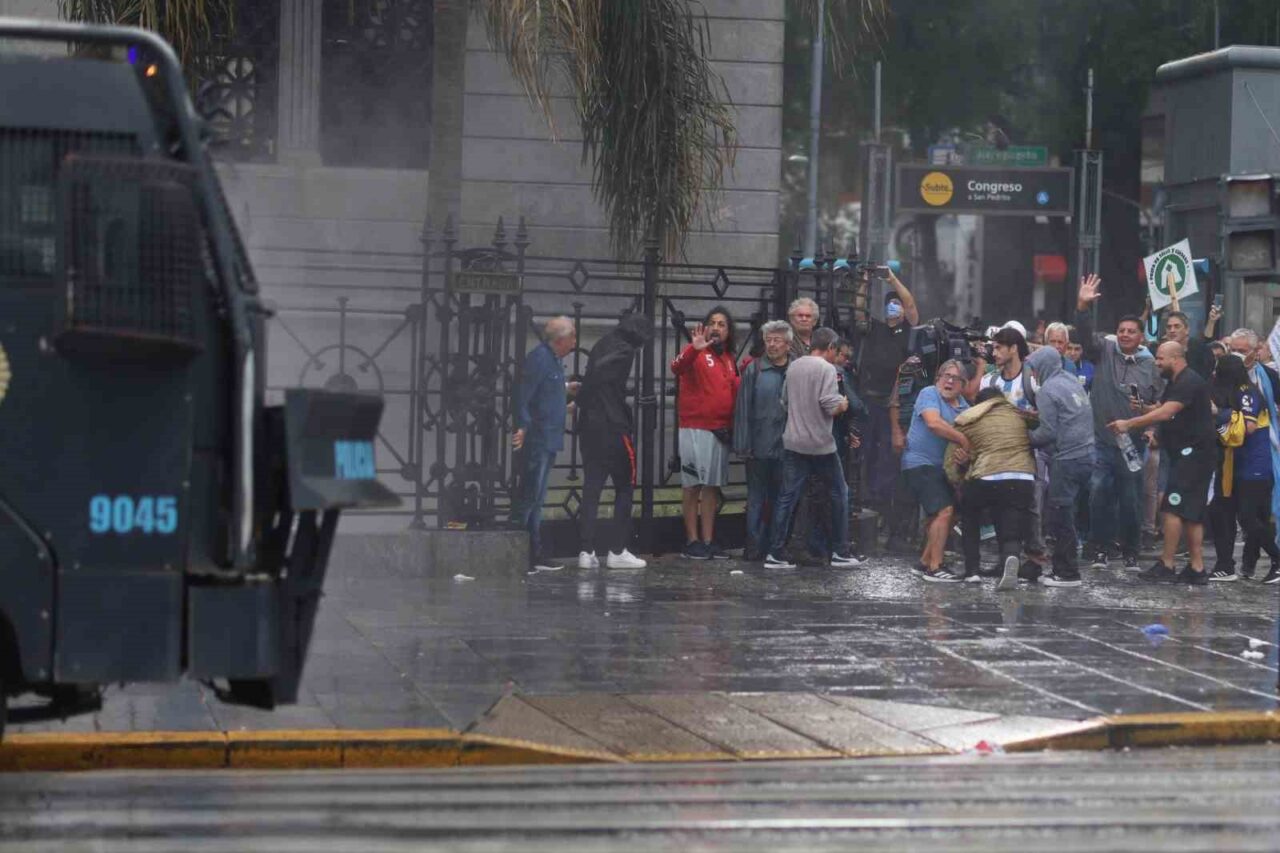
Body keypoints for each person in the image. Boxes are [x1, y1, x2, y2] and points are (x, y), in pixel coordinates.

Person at [1075, 274, 1163, 571]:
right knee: (1099, 492)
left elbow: (1162, 405)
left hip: (1133, 444)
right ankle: (1099, 547)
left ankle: (1130, 550)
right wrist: (1083, 307)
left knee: (1131, 498)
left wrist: (1151, 428)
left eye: (1131, 331)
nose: (1125, 335)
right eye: (1121, 330)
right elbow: (1085, 337)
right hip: (1101, 441)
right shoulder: (1105, 352)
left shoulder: (1152, 365)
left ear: (1141, 338)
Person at [1109, 341, 1216, 584]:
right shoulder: (1176, 383)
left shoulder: (1189, 381)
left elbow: (1167, 412)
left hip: (1194, 456)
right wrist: (1143, 408)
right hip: (1188, 456)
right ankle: (1197, 568)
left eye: (1160, 358)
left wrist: (1129, 423)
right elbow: (1162, 407)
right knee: (1191, 513)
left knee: (1171, 508)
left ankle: (1167, 564)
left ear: (1175, 358)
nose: (1156, 363)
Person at [763, 328, 861, 569]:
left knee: (787, 497)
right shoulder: (827, 368)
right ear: (829, 348)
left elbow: (784, 400)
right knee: (840, 493)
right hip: (820, 445)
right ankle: (839, 550)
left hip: (793, 442)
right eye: (835, 350)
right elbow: (829, 405)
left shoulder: (794, 366)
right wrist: (843, 403)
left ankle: (775, 552)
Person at [574, 313, 651, 570]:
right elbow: (599, 373)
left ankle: (586, 550)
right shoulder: (624, 350)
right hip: (614, 426)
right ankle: (617, 550)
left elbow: (592, 374)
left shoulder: (601, 343)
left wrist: (582, 400)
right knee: (625, 487)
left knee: (592, 487)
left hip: (589, 426)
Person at [945, 387, 1037, 591]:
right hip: (1022, 477)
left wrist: (959, 478)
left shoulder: (969, 418)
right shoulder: (1018, 414)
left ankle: (972, 571)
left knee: (970, 516)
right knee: (1010, 524)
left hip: (988, 476)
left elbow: (952, 461)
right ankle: (1010, 557)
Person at [671, 306, 740, 559]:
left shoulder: (729, 359)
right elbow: (676, 367)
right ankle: (691, 541)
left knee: (711, 487)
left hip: (719, 430)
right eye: (712, 322)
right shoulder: (697, 352)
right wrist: (693, 348)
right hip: (695, 428)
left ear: (728, 331)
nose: (716, 327)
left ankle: (708, 540)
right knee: (692, 485)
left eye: (722, 324)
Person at [1024, 346, 1095, 586]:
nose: (1032, 375)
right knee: (1068, 512)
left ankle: (1066, 572)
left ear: (1042, 367)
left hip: (1067, 458)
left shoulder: (1048, 390)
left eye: (1033, 370)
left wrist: (1024, 435)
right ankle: (1066, 567)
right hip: (1087, 454)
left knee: (1060, 514)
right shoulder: (1071, 380)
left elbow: (1048, 432)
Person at [512, 316, 577, 571]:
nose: (574, 341)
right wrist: (523, 426)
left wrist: (564, 395)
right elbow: (524, 396)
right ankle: (521, 553)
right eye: (572, 336)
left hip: (548, 437)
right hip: (538, 438)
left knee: (537, 498)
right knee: (530, 497)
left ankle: (532, 553)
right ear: (560, 340)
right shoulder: (540, 359)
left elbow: (544, 393)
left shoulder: (552, 360)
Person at [854, 269, 919, 523]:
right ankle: (864, 500)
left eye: (897, 304)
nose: (894, 307)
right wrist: (864, 281)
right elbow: (858, 310)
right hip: (868, 399)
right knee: (864, 452)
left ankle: (886, 507)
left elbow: (911, 305)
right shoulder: (874, 328)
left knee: (889, 455)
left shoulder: (908, 331)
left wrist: (891, 278)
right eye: (890, 303)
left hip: (893, 403)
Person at [1206, 354, 1277, 581]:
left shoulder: (1247, 392)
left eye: (1219, 369)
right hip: (1233, 467)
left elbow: (1249, 427)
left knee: (1248, 518)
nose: (1216, 374)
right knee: (1225, 513)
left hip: (1254, 468)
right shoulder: (1233, 393)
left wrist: (1220, 414)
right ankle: (1227, 565)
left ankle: (1276, 558)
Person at [901, 359, 970, 581]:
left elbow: (972, 440)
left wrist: (964, 454)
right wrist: (961, 439)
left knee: (951, 514)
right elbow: (933, 423)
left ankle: (924, 562)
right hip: (919, 462)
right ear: (937, 379)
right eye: (945, 376)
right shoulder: (929, 393)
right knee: (944, 510)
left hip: (944, 468)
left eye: (956, 378)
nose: (949, 381)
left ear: (964, 384)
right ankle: (935, 567)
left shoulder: (966, 409)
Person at [732, 320, 792, 562]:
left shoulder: (795, 370)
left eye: (777, 340)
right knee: (756, 498)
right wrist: (743, 444)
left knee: (783, 499)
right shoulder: (754, 369)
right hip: (758, 446)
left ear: (788, 344)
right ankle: (754, 546)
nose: (772, 344)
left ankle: (776, 546)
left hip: (788, 447)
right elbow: (743, 409)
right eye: (769, 340)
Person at [1228, 328, 1280, 583]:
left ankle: (1276, 559)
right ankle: (1249, 565)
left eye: (1242, 351)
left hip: (1262, 454)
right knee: (1253, 515)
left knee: (1251, 516)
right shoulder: (1225, 376)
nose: (1237, 356)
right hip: (1234, 456)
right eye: (1233, 351)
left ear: (1256, 351)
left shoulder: (1267, 378)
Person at [1163, 291, 1221, 380]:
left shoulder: (1199, 350)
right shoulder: (1161, 351)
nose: (1172, 330)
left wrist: (1211, 321)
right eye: (1169, 327)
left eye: (1177, 326)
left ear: (1187, 330)